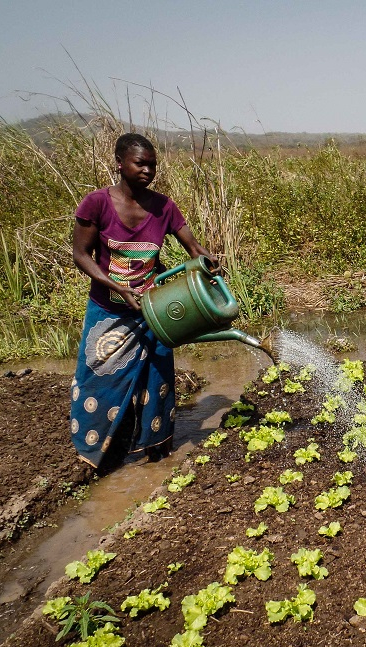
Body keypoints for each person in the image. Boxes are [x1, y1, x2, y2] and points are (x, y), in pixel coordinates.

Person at [69, 133, 218, 467]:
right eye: (141, 163)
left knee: (158, 379)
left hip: (154, 309)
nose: (148, 170)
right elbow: (80, 255)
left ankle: (155, 450)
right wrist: (116, 286)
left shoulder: (163, 207)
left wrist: (206, 260)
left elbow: (193, 248)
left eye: (152, 164)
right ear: (119, 163)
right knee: (98, 377)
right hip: (109, 309)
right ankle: (92, 451)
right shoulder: (97, 203)